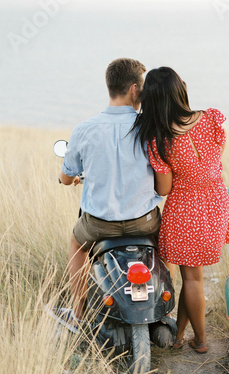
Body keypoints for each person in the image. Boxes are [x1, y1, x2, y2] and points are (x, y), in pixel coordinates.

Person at [48, 58, 162, 333]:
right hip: (144, 221)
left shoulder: (85, 129)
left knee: (77, 243)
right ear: (135, 89)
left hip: (99, 225)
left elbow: (66, 176)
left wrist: (70, 178)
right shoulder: (149, 127)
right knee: (162, 244)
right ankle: (162, 308)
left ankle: (78, 312)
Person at [133, 67, 229, 353]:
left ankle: (201, 342)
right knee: (194, 277)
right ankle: (180, 337)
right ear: (181, 90)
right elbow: (215, 160)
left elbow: (163, 189)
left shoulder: (159, 140)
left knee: (191, 279)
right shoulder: (212, 118)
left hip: (185, 207)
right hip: (215, 202)